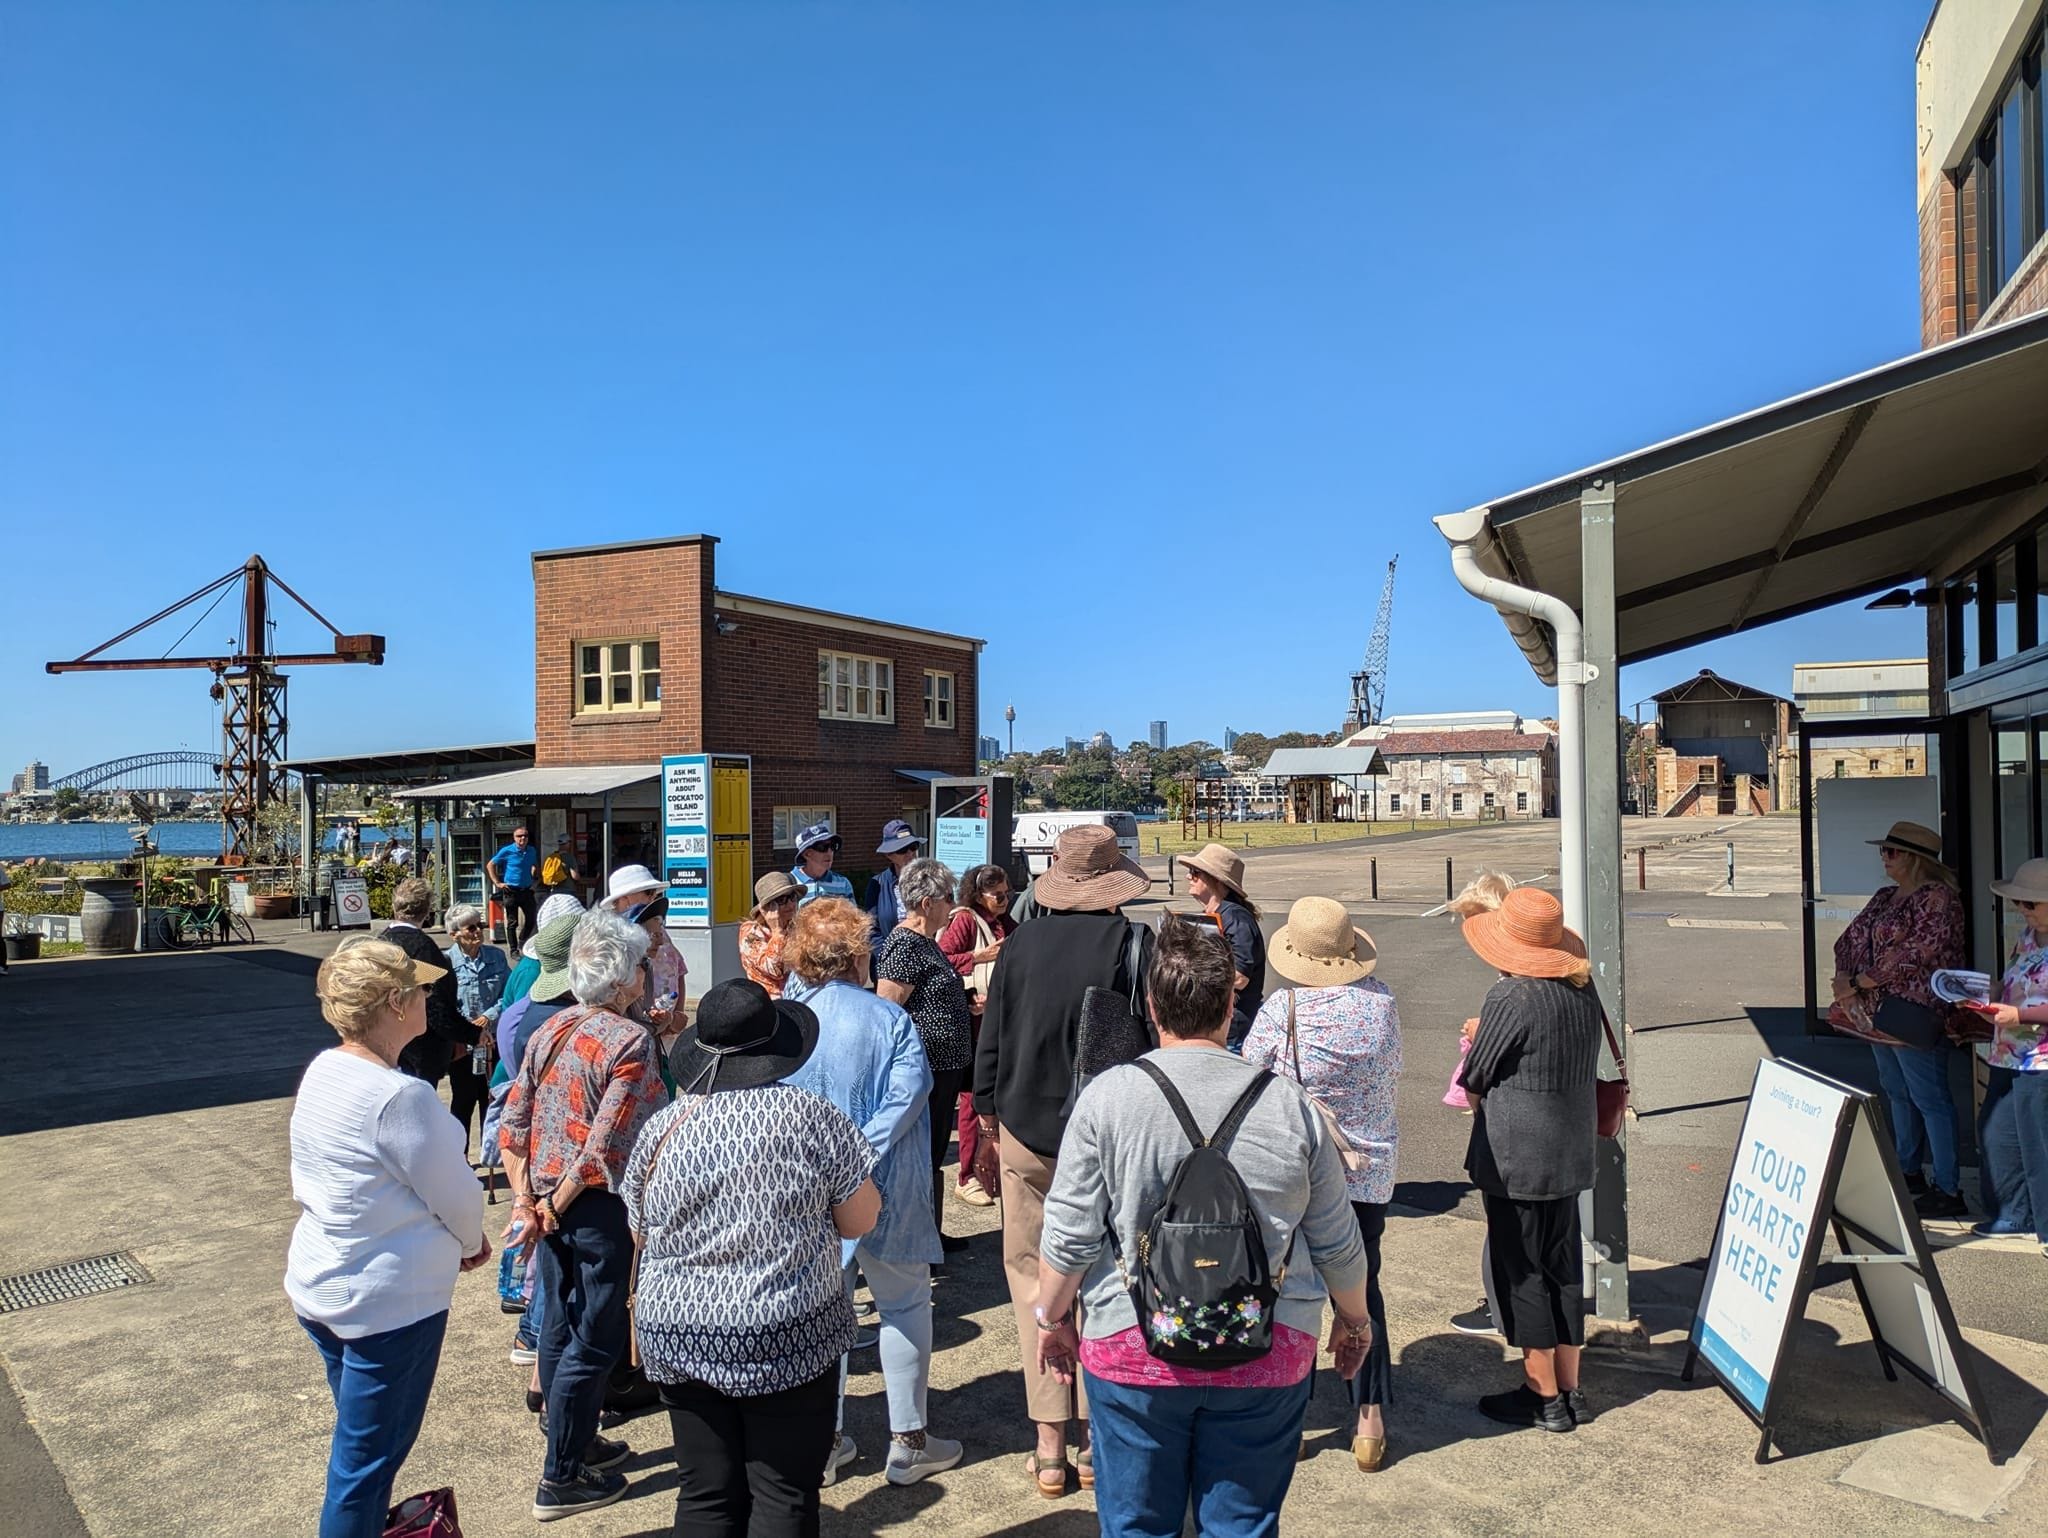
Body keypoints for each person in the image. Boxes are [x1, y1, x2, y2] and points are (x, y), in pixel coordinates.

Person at [1033, 916, 1373, 1533]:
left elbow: (1070, 1233)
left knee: (1137, 1524)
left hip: (1133, 1346)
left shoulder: (1107, 1098)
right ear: (1230, 1001)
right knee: (1242, 1524)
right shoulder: (1291, 1105)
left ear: (1152, 1006)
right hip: (1267, 1346)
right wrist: (1355, 1320)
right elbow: (1336, 1240)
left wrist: (1052, 1320)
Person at [624, 979, 883, 1538]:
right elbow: (861, 1218)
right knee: (784, 1493)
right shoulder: (812, 1117)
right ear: (776, 1047)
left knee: (705, 1493)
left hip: (679, 1330)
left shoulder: (664, 1125)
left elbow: (638, 1230)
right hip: (785, 1328)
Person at [972, 824, 1153, 1496]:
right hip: (1110, 1135)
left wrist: (989, 1116)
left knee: (1031, 1282)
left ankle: (1048, 1444)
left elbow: (991, 1036)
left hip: (1025, 1126)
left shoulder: (1019, 945)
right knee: (1109, 1280)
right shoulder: (1135, 943)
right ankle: (1094, 1441)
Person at [288, 937, 489, 1538]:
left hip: (325, 1280)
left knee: (360, 1447)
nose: (431, 996)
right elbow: (456, 1193)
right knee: (363, 1467)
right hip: (386, 1301)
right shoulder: (401, 1096)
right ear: (397, 1004)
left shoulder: (326, 1068)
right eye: (421, 989)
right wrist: (470, 1241)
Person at [781, 898, 963, 1486]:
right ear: (858, 952)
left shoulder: (787, 1019)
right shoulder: (887, 1019)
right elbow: (910, 1094)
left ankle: (826, 1441)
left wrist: (830, 1159)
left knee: (822, 1315)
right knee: (904, 1304)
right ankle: (908, 1441)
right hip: (886, 1185)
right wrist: (860, 1151)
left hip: (807, 1189)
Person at [499, 909, 669, 1521]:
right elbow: (607, 1143)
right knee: (596, 1334)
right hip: (591, 1202)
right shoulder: (629, 1041)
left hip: (549, 1201)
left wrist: (530, 1204)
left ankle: (573, 1438)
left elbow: (512, 1123)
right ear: (625, 980)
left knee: (560, 1325)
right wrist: (556, 1202)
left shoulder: (553, 1027)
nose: (647, 975)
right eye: (642, 965)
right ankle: (561, 1478)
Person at [1241, 896, 1401, 1470]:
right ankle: (1370, 1421)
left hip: (1303, 1168)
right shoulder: (1380, 1003)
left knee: (1291, 1291)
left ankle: (1297, 1419)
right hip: (1369, 1169)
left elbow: (1252, 1075)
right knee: (1364, 1290)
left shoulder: (1283, 1009)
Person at [1456, 887, 1602, 1433]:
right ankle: (1571, 1388)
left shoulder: (1511, 998)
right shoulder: (1580, 988)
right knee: (1562, 1266)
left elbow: (1477, 1079)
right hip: (1570, 1147)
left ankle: (1542, 1397)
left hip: (1518, 1154)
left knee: (1521, 1271)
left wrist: (1475, 1037)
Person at [1830, 821, 1969, 1218]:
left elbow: (1917, 951)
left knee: (1930, 1098)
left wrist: (1859, 980)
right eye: (1884, 851)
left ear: (1914, 858)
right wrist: (1846, 979)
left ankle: (1948, 1186)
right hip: (1875, 1012)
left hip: (1913, 1012)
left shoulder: (1939, 899)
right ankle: (1909, 1170)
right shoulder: (1885, 896)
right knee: (1896, 1092)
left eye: (1892, 852)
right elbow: (1850, 938)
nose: (1884, 858)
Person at [874, 858, 976, 1254]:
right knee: (921, 1157)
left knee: (931, 1156)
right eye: (949, 897)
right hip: (925, 1070)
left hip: (943, 1068)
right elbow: (889, 1011)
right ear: (928, 901)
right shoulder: (903, 945)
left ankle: (930, 1235)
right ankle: (919, 1243)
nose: (953, 905)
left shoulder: (927, 943)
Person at [1443, 870, 1516, 1339]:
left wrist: (1479, 1033)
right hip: (1538, 1126)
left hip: (1509, 1125)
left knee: (1506, 1219)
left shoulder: (1510, 987)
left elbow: (1483, 1071)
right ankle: (1504, 1302)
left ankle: (1501, 1305)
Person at [1973, 858, 2048, 1251]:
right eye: (2019, 902)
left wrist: (2019, 1013)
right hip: (2010, 1051)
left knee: (2039, 1141)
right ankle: (2013, 1212)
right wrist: (1984, 997)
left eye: (2031, 903)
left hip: (2042, 1059)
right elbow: (2012, 979)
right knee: (1998, 1133)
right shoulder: (2027, 936)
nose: (2023, 909)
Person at [938, 863, 1016, 1206]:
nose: (1003, 900)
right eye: (997, 895)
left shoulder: (1004, 921)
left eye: (1007, 893)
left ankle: (984, 1171)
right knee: (973, 1101)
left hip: (993, 1021)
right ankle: (967, 1175)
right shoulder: (966, 920)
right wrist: (977, 957)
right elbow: (942, 959)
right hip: (972, 1025)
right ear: (979, 894)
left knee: (991, 1098)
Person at [383, 878, 471, 1090]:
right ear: (427, 911)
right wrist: (471, 1034)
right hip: (421, 1050)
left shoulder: (379, 942)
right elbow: (437, 1008)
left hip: (386, 1043)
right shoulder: (424, 949)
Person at [442, 902, 511, 1160]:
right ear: (455, 934)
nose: (477, 931)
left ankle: (490, 1154)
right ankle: (457, 1159)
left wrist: (489, 1016)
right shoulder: (447, 962)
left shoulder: (496, 957)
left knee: (490, 1100)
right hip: (465, 1047)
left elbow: (508, 994)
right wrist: (466, 1028)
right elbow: (445, 1005)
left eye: (479, 925)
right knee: (462, 1101)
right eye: (470, 928)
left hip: (492, 1042)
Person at [1181, 843, 1267, 1050]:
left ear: (1215, 880)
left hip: (1232, 1029)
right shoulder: (1218, 914)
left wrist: (1191, 974)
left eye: (1195, 872)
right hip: (1213, 1024)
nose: (1188, 877)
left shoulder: (1236, 917)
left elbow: (1240, 977)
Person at [866, 819, 925, 961]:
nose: (910, 853)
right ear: (889, 855)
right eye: (902, 849)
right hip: (889, 961)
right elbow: (871, 930)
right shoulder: (877, 884)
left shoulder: (930, 881)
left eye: (913, 846)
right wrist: (889, 959)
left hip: (925, 959)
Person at [739, 871, 804, 997]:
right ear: (767, 907)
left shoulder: (796, 926)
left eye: (792, 897)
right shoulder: (750, 932)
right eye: (782, 900)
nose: (791, 904)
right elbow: (774, 970)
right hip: (767, 1003)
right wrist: (777, 931)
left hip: (797, 1000)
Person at [488, 825, 542, 952]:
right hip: (510, 890)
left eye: (525, 835)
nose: (522, 838)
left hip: (526, 890)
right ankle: (513, 950)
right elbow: (490, 865)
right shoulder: (507, 851)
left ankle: (522, 942)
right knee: (513, 922)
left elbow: (534, 865)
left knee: (532, 919)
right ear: (514, 838)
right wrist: (497, 882)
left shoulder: (531, 850)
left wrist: (535, 876)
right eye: (519, 836)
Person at [790, 823, 855, 907]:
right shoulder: (790, 883)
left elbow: (852, 918)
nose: (829, 852)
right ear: (807, 854)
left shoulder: (843, 883)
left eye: (833, 846)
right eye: (822, 847)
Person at [541, 836, 582, 902]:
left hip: (555, 891)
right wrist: (579, 878)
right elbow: (575, 876)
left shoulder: (552, 857)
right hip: (568, 891)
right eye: (569, 842)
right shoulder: (569, 858)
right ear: (567, 843)